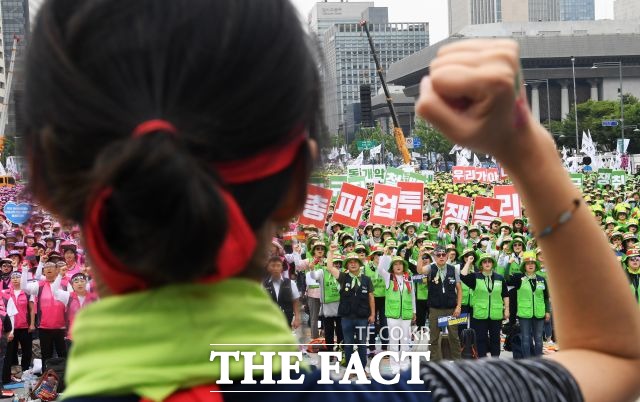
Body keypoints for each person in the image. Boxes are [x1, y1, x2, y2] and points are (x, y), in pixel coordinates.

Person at [19, 1, 640, 399]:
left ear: (42, 183)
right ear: (298, 183)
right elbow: (614, 357)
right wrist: (527, 153)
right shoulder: (401, 394)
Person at [326, 247, 374, 371]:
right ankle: (350, 369)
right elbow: (330, 268)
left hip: (362, 317)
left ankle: (362, 368)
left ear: (360, 264)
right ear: (347, 265)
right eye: (350, 262)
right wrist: (331, 252)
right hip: (346, 317)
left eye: (355, 261)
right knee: (348, 345)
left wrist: (373, 314)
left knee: (362, 344)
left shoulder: (367, 279)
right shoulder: (343, 277)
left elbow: (371, 297)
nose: (353, 264)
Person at [418, 245, 462, 362]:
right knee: (434, 338)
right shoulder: (430, 268)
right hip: (435, 308)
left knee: (454, 337)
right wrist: (421, 256)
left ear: (447, 256)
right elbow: (419, 271)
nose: (441, 257)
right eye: (438, 255)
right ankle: (435, 363)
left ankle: (458, 362)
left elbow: (459, 289)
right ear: (435, 256)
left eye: (443, 255)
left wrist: (458, 306)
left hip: (451, 308)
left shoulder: (453, 269)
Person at [460, 254, 509, 358]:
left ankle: (495, 361)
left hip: (495, 314)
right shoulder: (476, 276)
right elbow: (463, 276)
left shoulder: (500, 278)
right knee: (480, 339)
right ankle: (482, 361)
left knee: (495, 339)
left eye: (489, 261)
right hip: (480, 314)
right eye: (484, 262)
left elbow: (505, 294)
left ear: (492, 263)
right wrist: (468, 262)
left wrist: (507, 309)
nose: (487, 263)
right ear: (481, 264)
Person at [377, 252, 416, 374]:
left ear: (404, 266)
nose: (398, 266)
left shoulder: (409, 278)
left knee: (405, 341)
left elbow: (413, 296)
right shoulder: (388, 277)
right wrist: (384, 254)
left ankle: (405, 365)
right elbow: (379, 269)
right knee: (394, 341)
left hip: (406, 314)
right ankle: (394, 365)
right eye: (395, 264)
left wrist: (414, 311)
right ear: (392, 267)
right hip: (392, 315)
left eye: (400, 264)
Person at [508, 251, 550, 358]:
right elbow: (506, 278)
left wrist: (547, 311)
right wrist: (509, 264)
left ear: (535, 265)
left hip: (539, 312)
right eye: (527, 263)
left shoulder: (541, 279)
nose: (530, 265)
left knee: (539, 339)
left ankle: (538, 362)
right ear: (524, 266)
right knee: (526, 339)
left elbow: (545, 297)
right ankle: (528, 362)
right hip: (524, 313)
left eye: (532, 263)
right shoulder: (518, 278)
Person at [263, 257, 301, 330]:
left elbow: (296, 301)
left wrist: (297, 318)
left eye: (278, 265)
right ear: (268, 268)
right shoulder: (263, 284)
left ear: (282, 268)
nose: (276, 268)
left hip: (286, 318)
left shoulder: (291, 283)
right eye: (273, 266)